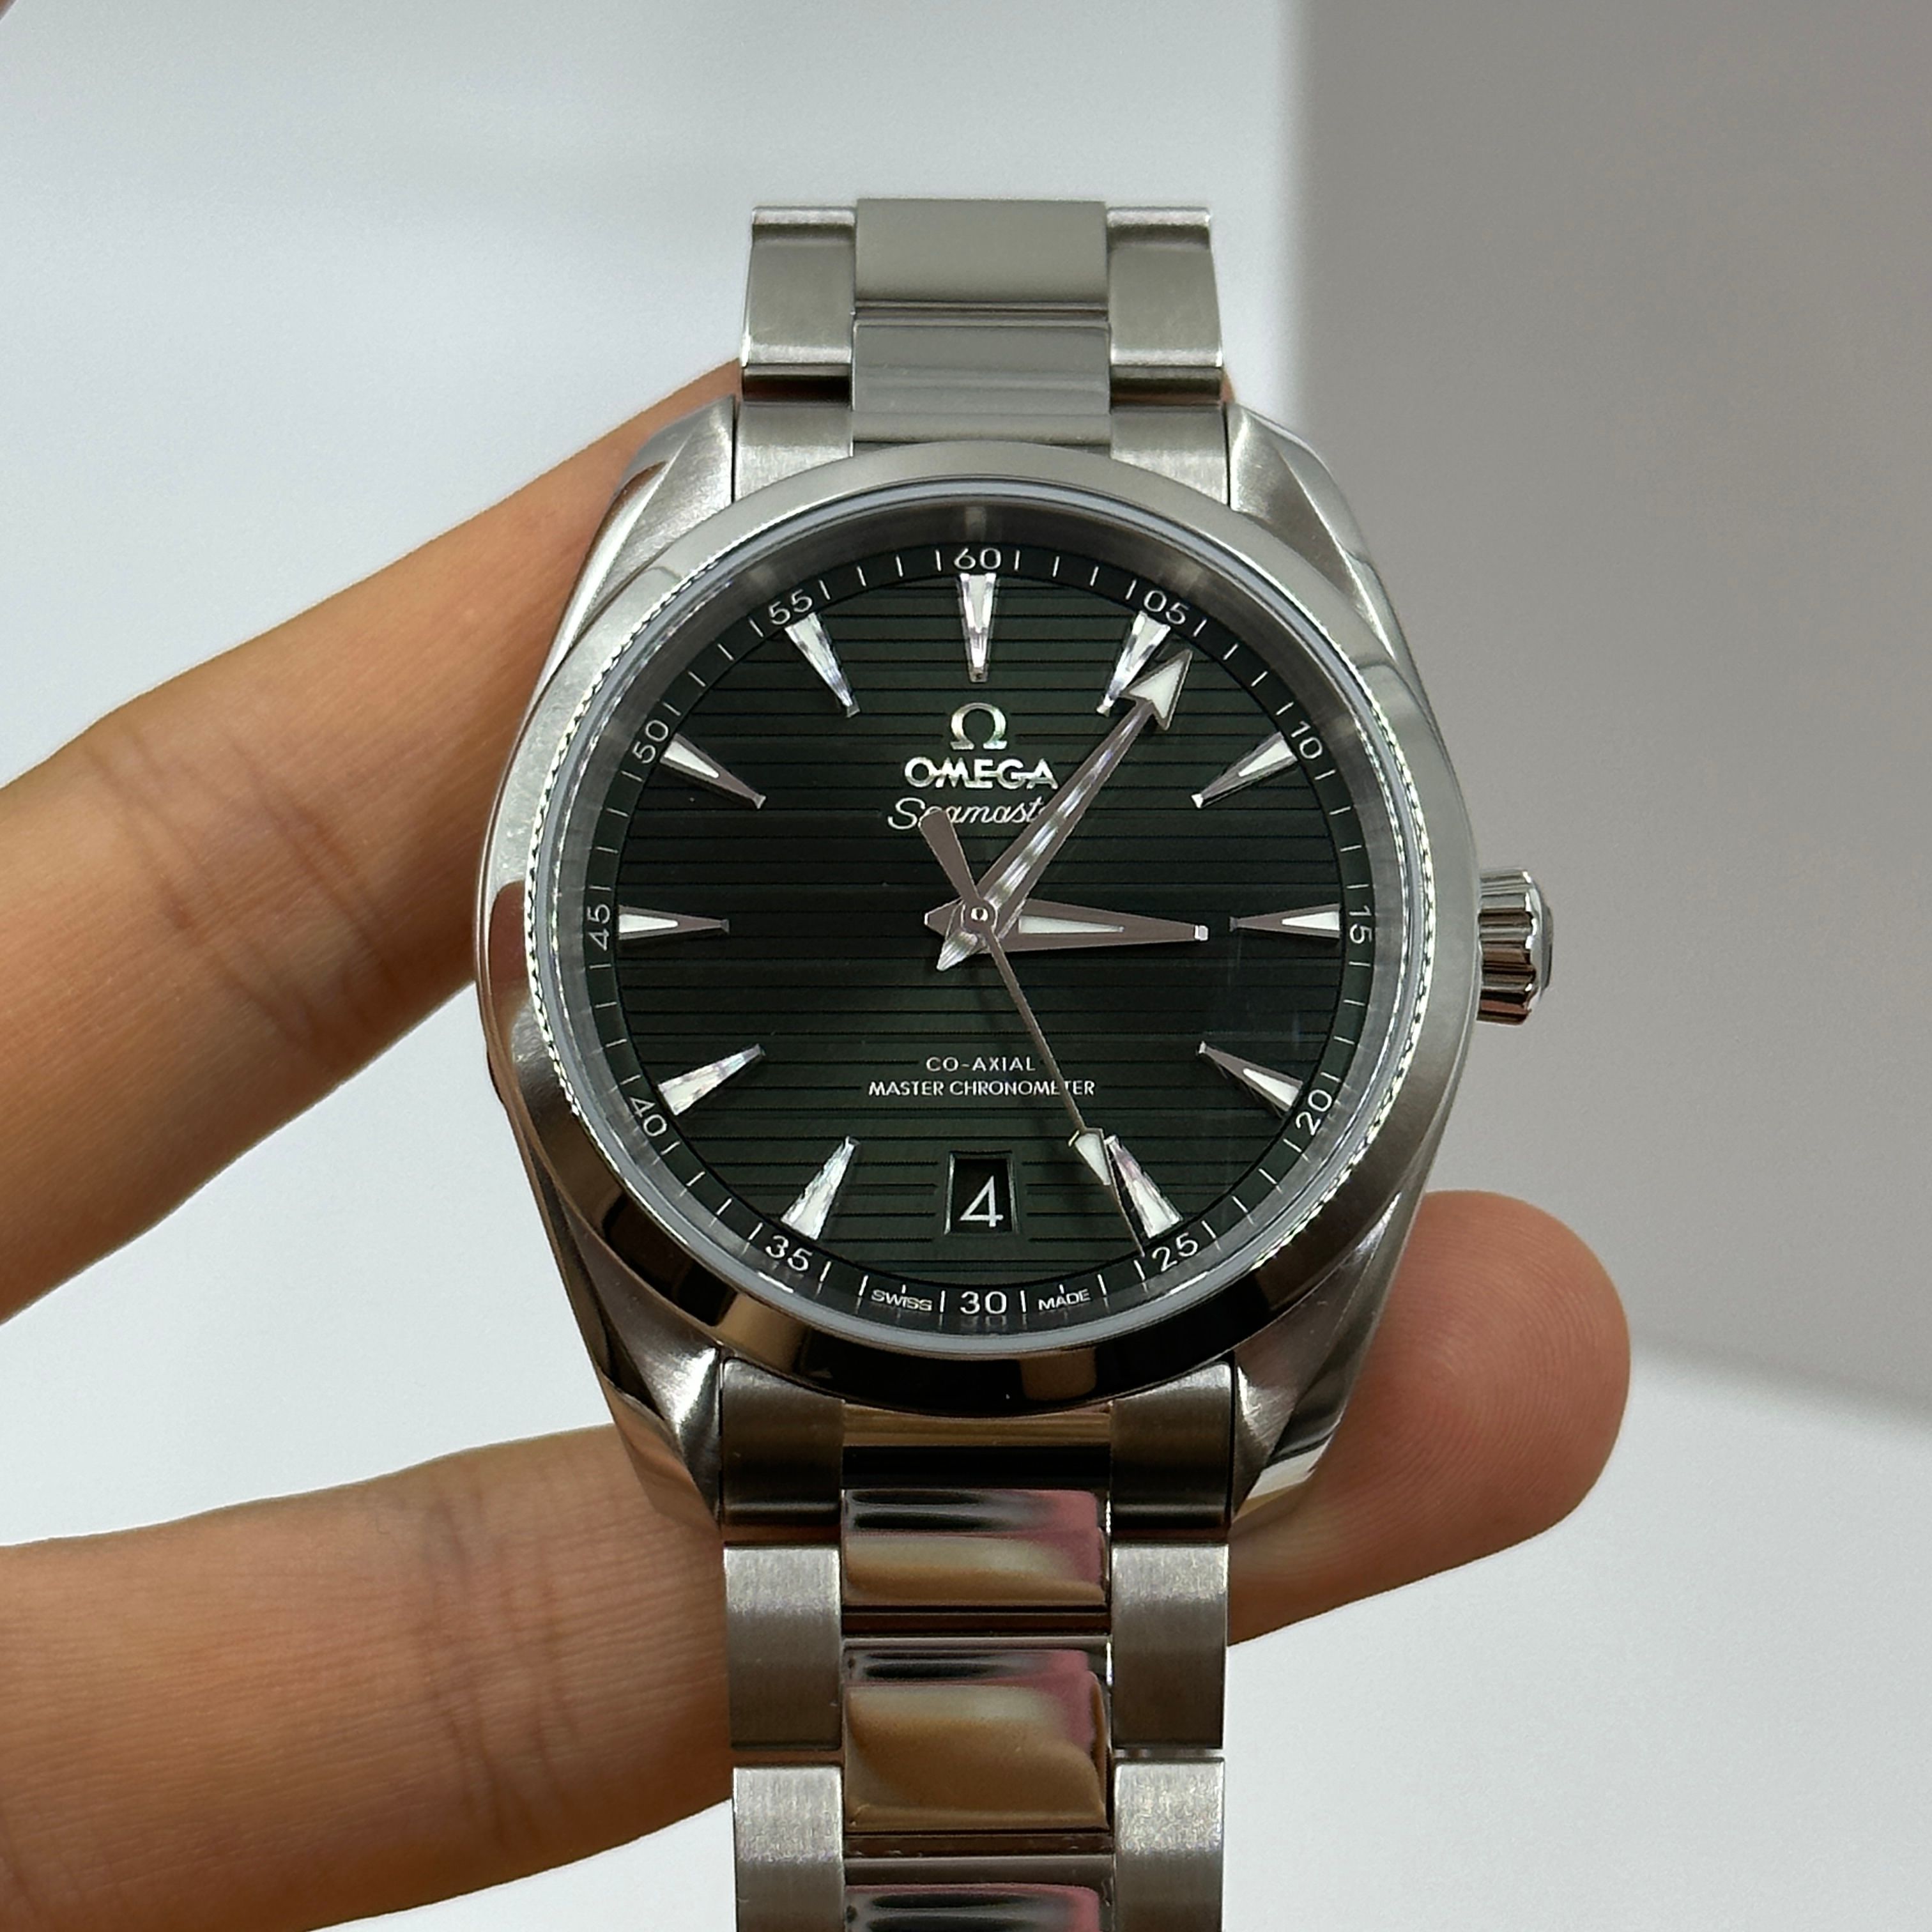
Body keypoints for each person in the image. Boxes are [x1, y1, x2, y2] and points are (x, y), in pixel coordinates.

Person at [0, 367, 1627, 1931]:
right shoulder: (1196, 506)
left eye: (993, 926)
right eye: (972, 922)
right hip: (834, 1358)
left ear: (1474, 953)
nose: (978, 933)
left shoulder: (1224, 503)